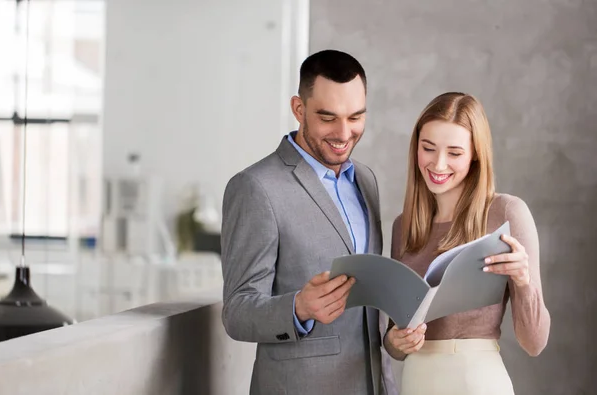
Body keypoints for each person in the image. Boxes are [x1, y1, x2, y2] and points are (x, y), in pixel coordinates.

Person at [221, 49, 398, 395]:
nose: (344, 133)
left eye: (356, 117)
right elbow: (237, 310)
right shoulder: (256, 188)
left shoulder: (366, 180)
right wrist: (298, 307)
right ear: (299, 109)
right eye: (328, 117)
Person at [383, 92, 551, 394]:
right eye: (428, 148)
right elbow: (395, 343)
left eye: (455, 153)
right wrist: (395, 341)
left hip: (476, 380)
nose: (438, 163)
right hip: (416, 381)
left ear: (475, 154)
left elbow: (535, 342)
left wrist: (523, 282)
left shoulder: (506, 213)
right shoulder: (403, 226)